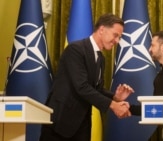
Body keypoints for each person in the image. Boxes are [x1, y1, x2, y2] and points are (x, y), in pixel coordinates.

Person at [39, 13, 134, 141]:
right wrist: (113, 105)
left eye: (119, 37)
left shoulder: (101, 59)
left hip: (82, 124)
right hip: (60, 124)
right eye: (115, 35)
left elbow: (96, 89)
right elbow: (82, 86)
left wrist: (115, 98)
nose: (117, 41)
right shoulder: (75, 50)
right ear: (101, 30)